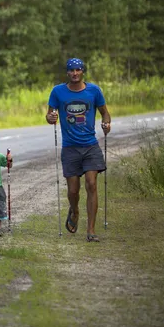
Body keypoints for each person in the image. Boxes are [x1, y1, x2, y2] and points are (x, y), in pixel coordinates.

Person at [46, 57, 111, 243]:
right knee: (73, 191)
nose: (75, 73)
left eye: (78, 70)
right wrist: (51, 118)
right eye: (71, 70)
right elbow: (50, 115)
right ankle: (74, 210)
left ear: (83, 71)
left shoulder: (94, 90)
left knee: (91, 184)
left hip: (90, 145)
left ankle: (91, 230)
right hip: (70, 147)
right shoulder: (58, 92)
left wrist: (106, 123)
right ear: (67, 73)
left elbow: (105, 112)